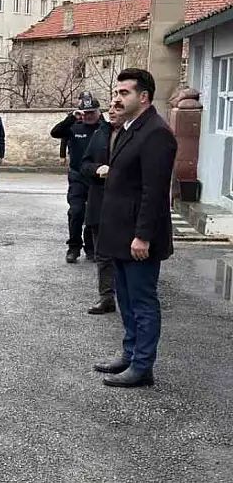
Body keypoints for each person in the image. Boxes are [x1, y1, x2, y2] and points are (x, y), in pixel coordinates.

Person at [93, 68, 177, 388]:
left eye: (124, 92)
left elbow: (154, 192)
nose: (117, 97)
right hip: (120, 234)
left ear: (143, 97)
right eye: (116, 92)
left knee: (142, 302)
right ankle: (129, 355)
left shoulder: (156, 132)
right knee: (126, 300)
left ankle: (143, 366)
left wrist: (142, 236)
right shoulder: (130, 128)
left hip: (138, 238)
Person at [51, 92, 103, 263]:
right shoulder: (75, 127)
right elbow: (56, 132)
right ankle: (74, 247)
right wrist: (71, 118)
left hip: (97, 178)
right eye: (85, 112)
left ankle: (91, 247)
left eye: (92, 112)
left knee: (93, 214)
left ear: (99, 112)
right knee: (76, 212)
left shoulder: (104, 129)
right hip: (77, 176)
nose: (88, 116)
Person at [80, 103, 121, 315]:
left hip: (124, 203)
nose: (113, 111)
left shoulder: (135, 135)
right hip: (100, 200)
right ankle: (106, 298)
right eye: (111, 107)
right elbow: (83, 165)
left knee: (123, 254)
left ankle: (126, 296)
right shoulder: (99, 135)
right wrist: (97, 169)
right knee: (102, 254)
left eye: (118, 107)